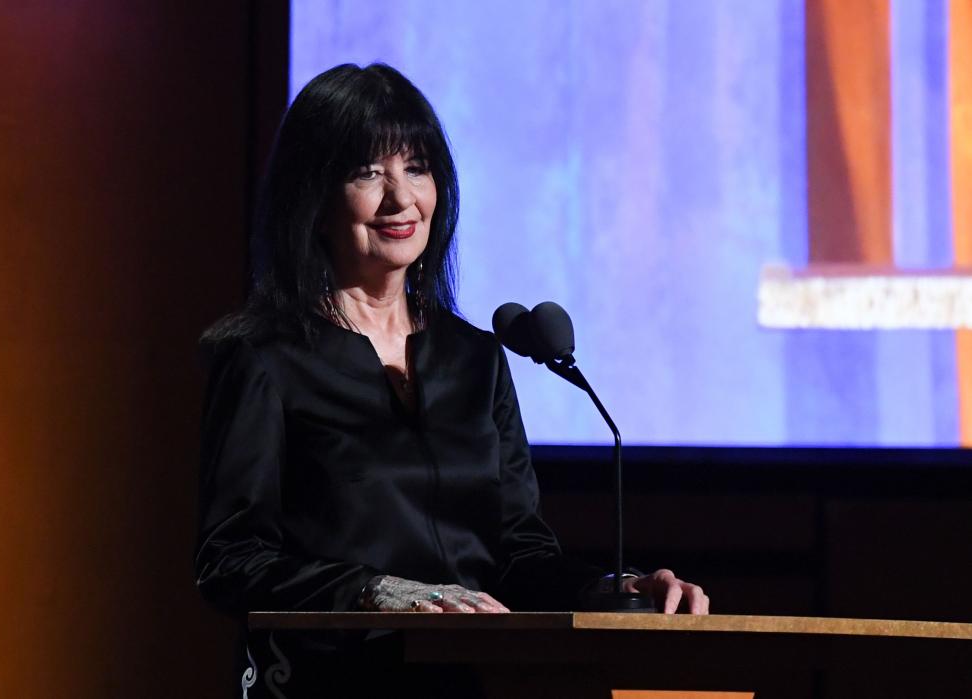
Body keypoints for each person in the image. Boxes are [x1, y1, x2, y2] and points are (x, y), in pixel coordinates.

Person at [195, 62, 708, 698]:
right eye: (366, 173)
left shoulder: (475, 361)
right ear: (315, 198)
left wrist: (614, 590)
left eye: (416, 167)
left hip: (471, 682)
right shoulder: (266, 360)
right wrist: (373, 592)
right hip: (325, 681)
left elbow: (519, 555)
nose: (400, 198)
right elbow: (230, 560)